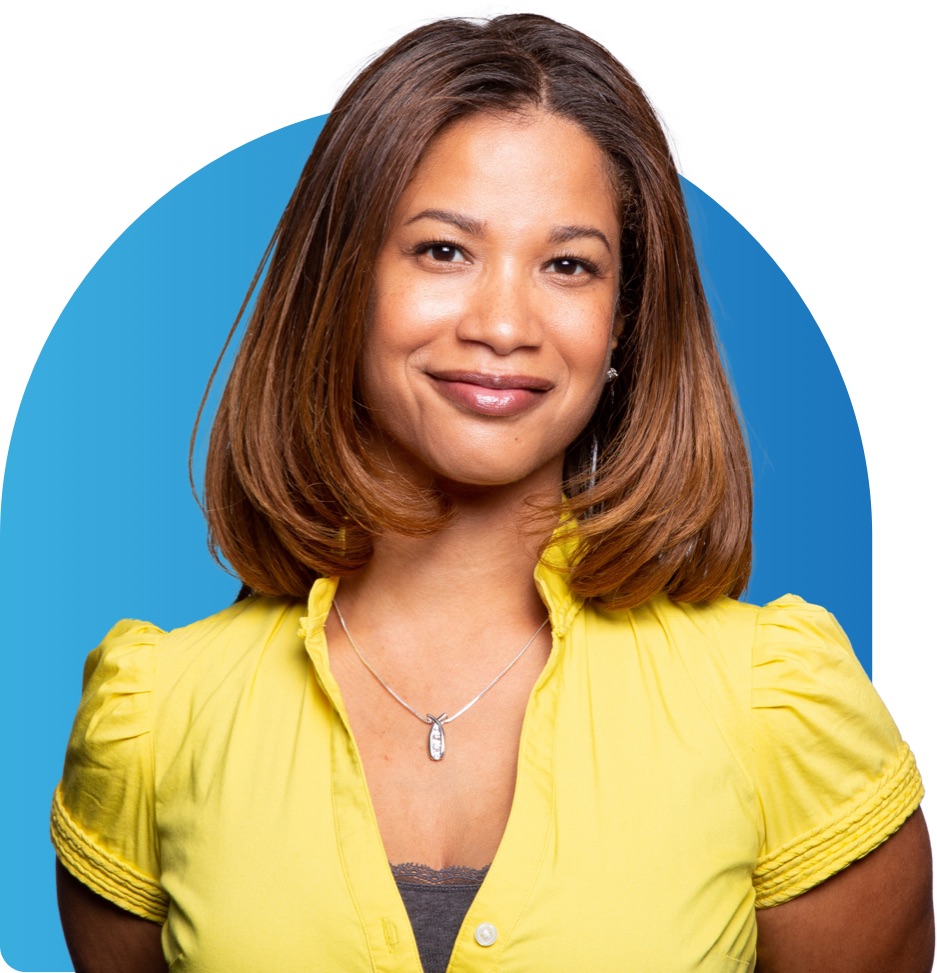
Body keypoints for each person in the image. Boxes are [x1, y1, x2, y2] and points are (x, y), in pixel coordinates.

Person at [50, 13, 933, 973]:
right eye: (442, 251)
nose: (504, 323)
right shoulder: (157, 719)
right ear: (341, 282)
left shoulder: (778, 707)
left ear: (621, 323)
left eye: (568, 265)